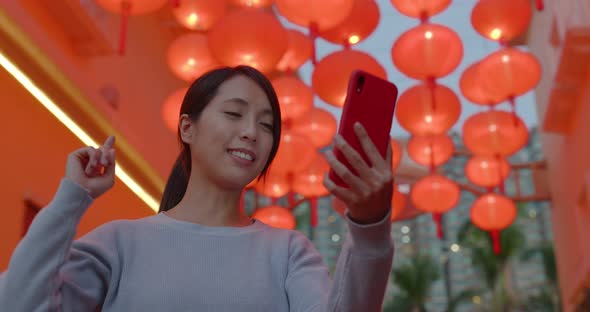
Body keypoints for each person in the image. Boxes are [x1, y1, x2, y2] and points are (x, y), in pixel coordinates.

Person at [0, 66, 394, 311]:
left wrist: (370, 226)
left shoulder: (289, 253)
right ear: (188, 128)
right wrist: (72, 197)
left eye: (267, 125)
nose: (251, 133)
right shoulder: (119, 243)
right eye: (234, 114)